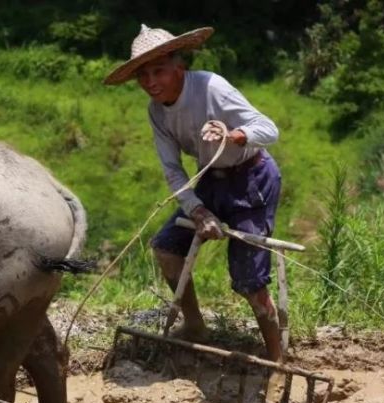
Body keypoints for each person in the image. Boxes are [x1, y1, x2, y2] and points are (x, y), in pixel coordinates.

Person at [104, 24, 284, 362]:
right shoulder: (157, 112)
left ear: (178, 68)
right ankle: (195, 325)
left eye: (159, 71)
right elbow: (173, 170)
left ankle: (277, 359)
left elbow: (268, 129)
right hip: (211, 180)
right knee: (167, 248)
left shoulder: (211, 87)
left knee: (250, 281)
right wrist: (198, 211)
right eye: (143, 76)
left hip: (252, 178)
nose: (151, 82)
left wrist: (234, 135)